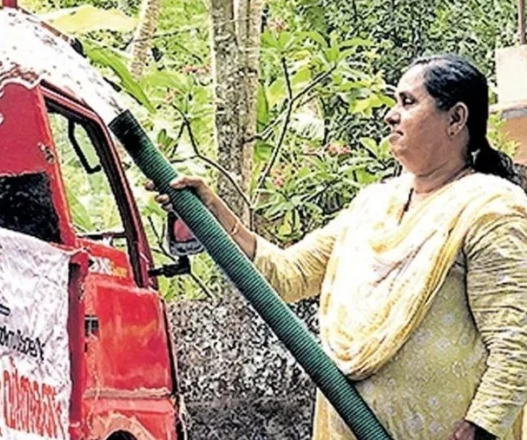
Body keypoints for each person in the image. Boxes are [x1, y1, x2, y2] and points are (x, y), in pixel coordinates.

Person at [148, 54, 527, 440]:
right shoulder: (373, 206)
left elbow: (516, 341)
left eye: (408, 102)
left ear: (456, 119)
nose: (390, 116)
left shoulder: (491, 208)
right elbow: (285, 275)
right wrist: (213, 211)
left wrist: (480, 431)